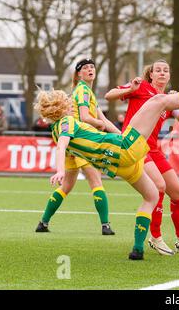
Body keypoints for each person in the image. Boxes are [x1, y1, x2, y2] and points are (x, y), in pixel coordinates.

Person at [35, 64, 179, 260]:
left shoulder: (56, 129)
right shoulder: (67, 123)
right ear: (60, 108)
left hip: (118, 165)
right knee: (157, 101)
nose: (71, 104)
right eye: (67, 103)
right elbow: (62, 146)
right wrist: (60, 170)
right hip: (125, 148)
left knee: (152, 196)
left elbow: (68, 142)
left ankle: (137, 249)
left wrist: (108, 128)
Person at [105, 60, 179, 256]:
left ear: (169, 76)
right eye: (158, 70)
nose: (162, 73)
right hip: (136, 146)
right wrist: (129, 88)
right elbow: (108, 95)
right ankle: (156, 237)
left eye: (166, 70)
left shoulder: (167, 100)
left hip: (154, 150)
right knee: (159, 186)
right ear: (151, 75)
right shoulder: (141, 86)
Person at [35, 58, 120, 235]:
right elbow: (86, 118)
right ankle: (105, 225)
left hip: (71, 141)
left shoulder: (86, 91)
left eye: (92, 67)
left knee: (66, 186)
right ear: (79, 74)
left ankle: (43, 222)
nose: (90, 69)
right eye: (86, 68)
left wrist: (121, 135)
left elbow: (103, 120)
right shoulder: (82, 90)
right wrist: (101, 125)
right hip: (82, 142)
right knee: (96, 183)